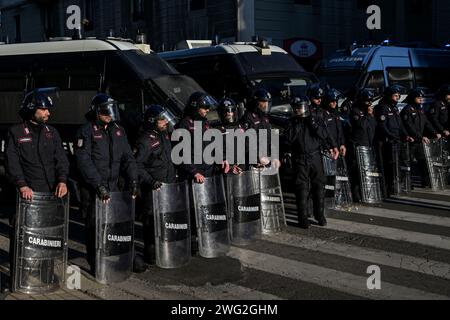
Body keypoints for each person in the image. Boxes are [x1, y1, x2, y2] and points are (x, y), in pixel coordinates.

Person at [5, 88, 69, 289]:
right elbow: (12, 162)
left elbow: (61, 159)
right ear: (32, 109)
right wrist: (22, 185)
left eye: (48, 110)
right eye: (43, 109)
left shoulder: (52, 132)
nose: (48, 113)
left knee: (49, 236)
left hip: (49, 195)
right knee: (22, 236)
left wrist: (62, 180)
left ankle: (46, 274)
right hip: (26, 196)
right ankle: (18, 278)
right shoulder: (15, 132)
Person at [74, 93, 141, 274]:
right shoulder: (86, 131)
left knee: (119, 224)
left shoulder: (118, 129)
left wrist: (134, 180)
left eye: (112, 110)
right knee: (95, 227)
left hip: (114, 187)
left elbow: (128, 157)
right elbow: (84, 161)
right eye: (106, 111)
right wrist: (98, 185)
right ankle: (97, 262)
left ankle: (127, 257)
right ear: (97, 112)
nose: (109, 114)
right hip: (94, 188)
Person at [283, 96, 339, 229]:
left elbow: (324, 134)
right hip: (299, 158)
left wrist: (312, 123)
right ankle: (302, 218)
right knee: (301, 188)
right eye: (296, 108)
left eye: (301, 108)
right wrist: (297, 123)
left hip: (315, 157)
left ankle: (319, 214)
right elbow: (288, 139)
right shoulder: (291, 122)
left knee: (319, 186)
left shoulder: (315, 118)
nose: (299, 111)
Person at [134, 105, 177, 265]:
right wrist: (151, 182)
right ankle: (150, 253)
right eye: (162, 119)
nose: (165, 121)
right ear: (152, 121)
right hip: (153, 188)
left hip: (167, 186)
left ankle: (165, 250)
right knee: (151, 221)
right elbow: (137, 165)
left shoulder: (164, 135)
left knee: (165, 219)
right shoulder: (145, 140)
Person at [374, 85, 413, 197]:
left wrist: (406, 135)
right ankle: (386, 190)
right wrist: (391, 136)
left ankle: (393, 187)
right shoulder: (383, 108)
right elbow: (382, 126)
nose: (397, 97)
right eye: (395, 95)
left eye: (398, 96)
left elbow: (400, 125)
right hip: (387, 142)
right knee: (387, 166)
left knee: (395, 165)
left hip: (396, 141)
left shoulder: (394, 108)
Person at [401, 88, 441, 187]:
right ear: (413, 98)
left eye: (421, 98)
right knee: (408, 162)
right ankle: (407, 183)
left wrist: (435, 133)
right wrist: (420, 136)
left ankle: (426, 181)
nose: (421, 99)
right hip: (412, 140)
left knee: (423, 161)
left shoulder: (420, 109)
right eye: (419, 98)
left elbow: (426, 123)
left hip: (419, 140)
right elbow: (409, 126)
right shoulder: (407, 110)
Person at [348, 89, 378, 202]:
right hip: (359, 144)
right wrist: (367, 115)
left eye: (370, 101)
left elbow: (373, 126)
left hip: (369, 143)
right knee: (357, 170)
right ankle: (356, 194)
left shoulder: (369, 113)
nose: (369, 103)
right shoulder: (356, 111)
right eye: (367, 101)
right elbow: (361, 126)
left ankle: (367, 192)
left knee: (367, 169)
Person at [240, 89, 281, 169]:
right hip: (254, 163)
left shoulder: (265, 118)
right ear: (256, 102)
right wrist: (257, 159)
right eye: (263, 102)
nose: (266, 105)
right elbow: (247, 143)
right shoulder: (248, 119)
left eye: (267, 102)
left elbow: (270, 140)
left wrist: (275, 156)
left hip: (267, 160)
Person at [216, 98, 245, 174]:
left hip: (242, 167)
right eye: (226, 111)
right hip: (227, 169)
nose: (229, 114)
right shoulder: (218, 130)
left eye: (231, 111)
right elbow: (216, 150)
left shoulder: (240, 127)